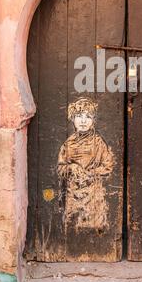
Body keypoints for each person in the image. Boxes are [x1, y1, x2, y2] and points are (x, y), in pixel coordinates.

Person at [57, 97, 114, 231]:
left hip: (93, 195)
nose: (83, 121)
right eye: (79, 116)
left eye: (88, 117)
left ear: (93, 121)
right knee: (72, 228)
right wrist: (72, 167)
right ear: (73, 118)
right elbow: (60, 168)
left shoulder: (98, 143)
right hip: (72, 195)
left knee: (93, 226)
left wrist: (90, 173)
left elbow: (108, 166)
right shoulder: (68, 144)